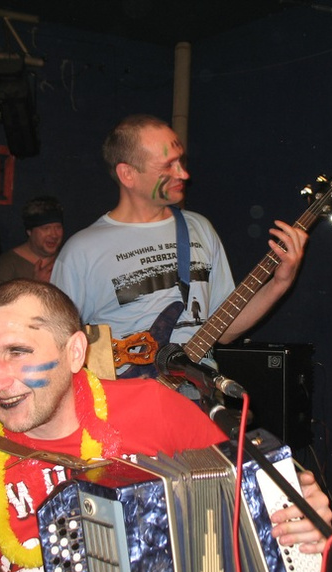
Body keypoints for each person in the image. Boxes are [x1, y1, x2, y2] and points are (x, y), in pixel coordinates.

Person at [0, 279, 332, 572]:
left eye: (17, 352)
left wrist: (300, 512)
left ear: (75, 352)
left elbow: (257, 501)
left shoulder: (153, 407)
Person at [51, 114, 308, 378]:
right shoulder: (82, 251)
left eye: (181, 161)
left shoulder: (199, 228)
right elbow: (55, 349)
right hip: (128, 398)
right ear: (127, 174)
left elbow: (224, 331)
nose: (183, 174)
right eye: (168, 166)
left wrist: (279, 283)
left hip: (198, 394)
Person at [0, 196, 64, 283]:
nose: (54, 235)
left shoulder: (67, 260)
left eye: (58, 227)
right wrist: (37, 285)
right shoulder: (7, 264)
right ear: (29, 231)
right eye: (46, 228)